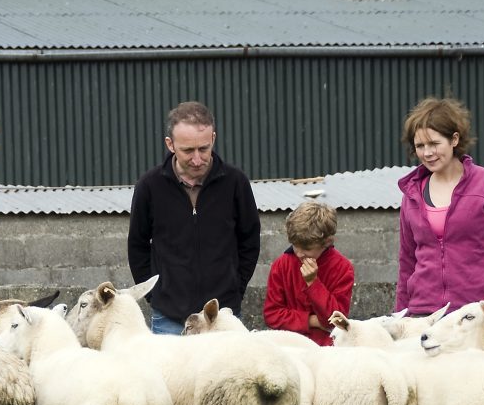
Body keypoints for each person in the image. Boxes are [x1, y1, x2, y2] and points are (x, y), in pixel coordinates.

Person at [128, 101, 261, 335]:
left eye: (204, 148)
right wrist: (155, 294)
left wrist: (235, 288)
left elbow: (249, 241)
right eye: (188, 151)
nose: (198, 159)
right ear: (170, 144)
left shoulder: (235, 183)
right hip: (169, 318)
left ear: (214, 139)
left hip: (223, 318)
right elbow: (137, 245)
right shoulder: (149, 186)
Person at [396, 97, 484, 315]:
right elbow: (407, 260)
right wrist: (400, 315)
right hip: (423, 314)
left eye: (435, 143)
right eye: (420, 146)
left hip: (478, 313)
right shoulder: (411, 194)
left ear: (454, 139)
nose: (427, 153)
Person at [262, 198, 354, 345]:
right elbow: (272, 315)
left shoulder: (342, 268)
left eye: (306, 249)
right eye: (294, 246)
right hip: (289, 347)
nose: (299, 253)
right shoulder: (281, 265)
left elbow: (336, 321)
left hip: (325, 350)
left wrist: (313, 282)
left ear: (327, 243)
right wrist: (311, 321)